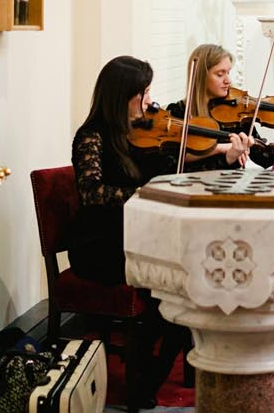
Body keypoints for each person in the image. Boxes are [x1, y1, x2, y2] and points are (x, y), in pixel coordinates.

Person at [68, 56, 244, 405]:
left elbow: (172, 162)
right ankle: (142, 380)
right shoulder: (91, 137)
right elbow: (93, 193)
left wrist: (222, 155)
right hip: (101, 245)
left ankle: (147, 375)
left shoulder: (138, 134)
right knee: (173, 289)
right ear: (123, 95)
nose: (150, 100)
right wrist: (144, 193)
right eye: (144, 92)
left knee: (189, 289)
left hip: (139, 239)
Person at [177, 43, 274, 168]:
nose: (228, 80)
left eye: (228, 72)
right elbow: (176, 158)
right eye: (220, 74)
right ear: (202, 76)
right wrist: (221, 149)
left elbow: (266, 157)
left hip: (231, 190)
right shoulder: (179, 112)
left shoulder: (236, 114)